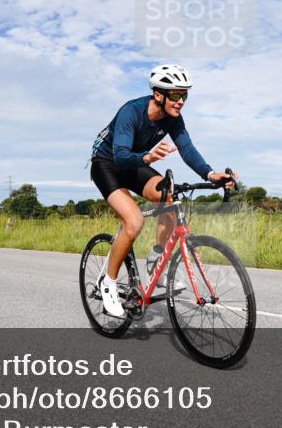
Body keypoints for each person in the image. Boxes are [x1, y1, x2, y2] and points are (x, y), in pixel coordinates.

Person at [89, 64, 236, 317]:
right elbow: (121, 156)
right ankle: (108, 284)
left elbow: (187, 150)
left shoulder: (173, 119)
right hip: (108, 164)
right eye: (177, 95)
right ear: (159, 94)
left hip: (136, 163)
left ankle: (155, 261)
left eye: (185, 96)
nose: (181, 102)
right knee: (133, 221)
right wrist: (147, 157)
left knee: (169, 198)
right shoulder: (131, 112)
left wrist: (211, 175)